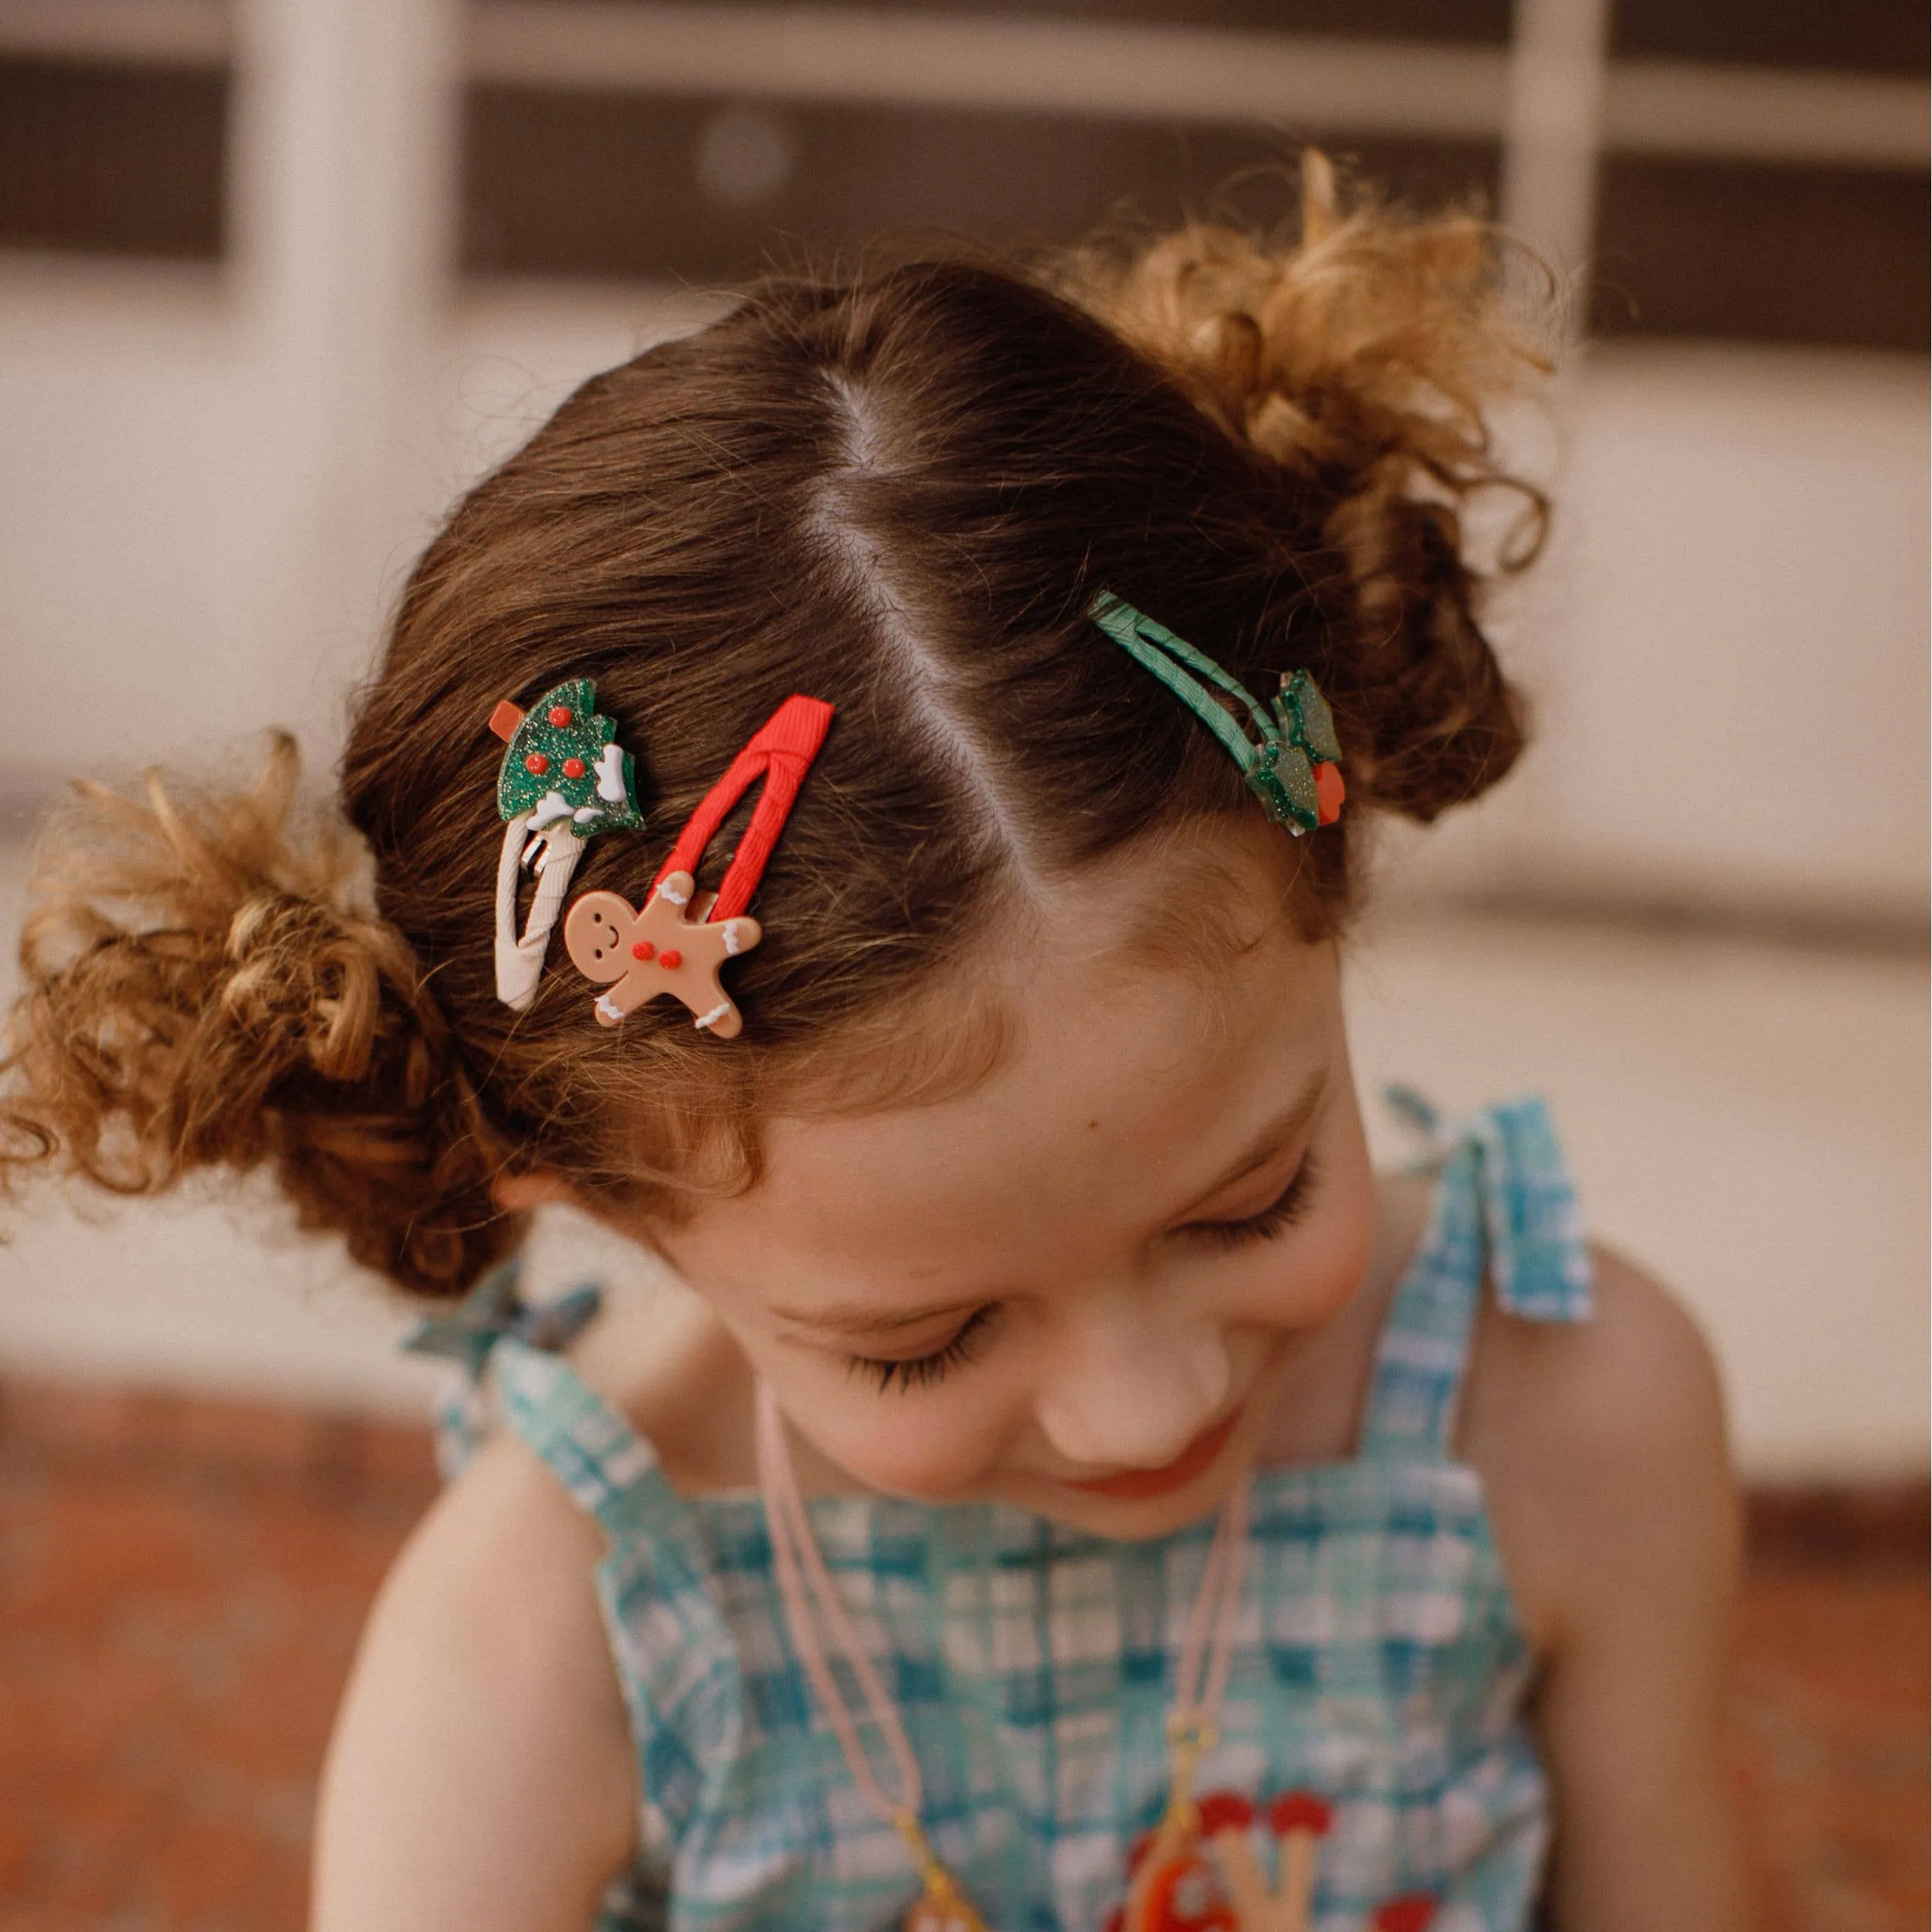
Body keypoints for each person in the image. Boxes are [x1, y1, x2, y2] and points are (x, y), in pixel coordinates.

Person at [0, 159, 1747, 1931]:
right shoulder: (554, 1643)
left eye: (1251, 1197)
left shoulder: (1558, 1429)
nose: (1145, 1399)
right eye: (927, 1339)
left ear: (1342, 868)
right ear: (601, 1200)